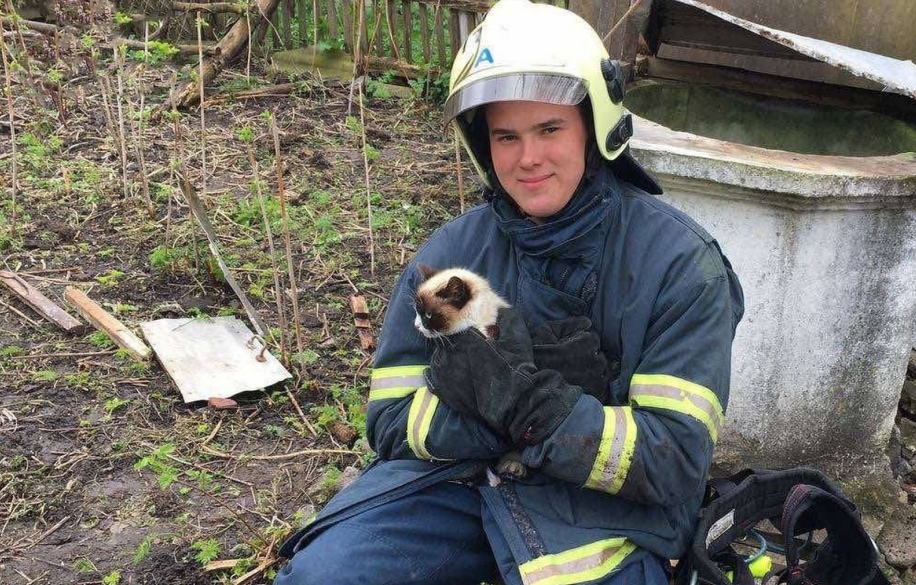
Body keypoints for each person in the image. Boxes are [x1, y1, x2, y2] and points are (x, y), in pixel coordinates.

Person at [274, 0, 744, 583]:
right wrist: (486, 417)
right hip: (455, 487)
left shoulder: (678, 266)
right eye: (506, 136)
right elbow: (391, 421)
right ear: (483, 143)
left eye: (549, 129)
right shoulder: (450, 256)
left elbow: (673, 460)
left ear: (595, 127)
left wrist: (539, 413)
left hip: (609, 517)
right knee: (323, 576)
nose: (528, 159)